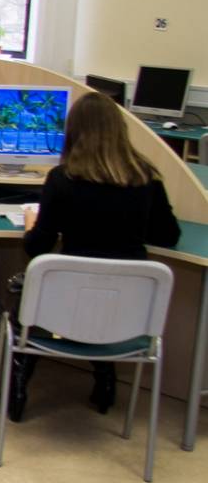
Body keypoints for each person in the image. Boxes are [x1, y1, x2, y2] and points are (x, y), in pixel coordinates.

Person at [10, 91, 181, 420]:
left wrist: (32, 224)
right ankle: (105, 381)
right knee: (102, 304)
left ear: (73, 132)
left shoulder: (62, 179)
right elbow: (168, 236)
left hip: (63, 308)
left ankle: (17, 391)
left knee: (30, 301)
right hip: (127, 312)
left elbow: (37, 248)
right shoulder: (147, 178)